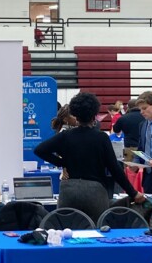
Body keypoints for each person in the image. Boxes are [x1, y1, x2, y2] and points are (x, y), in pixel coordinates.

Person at [34, 92, 145, 222]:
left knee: (66, 228)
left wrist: (62, 162)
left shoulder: (65, 136)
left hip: (69, 191)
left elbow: (39, 150)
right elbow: (114, 169)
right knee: (99, 229)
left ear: (75, 115)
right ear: (94, 115)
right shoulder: (101, 138)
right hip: (95, 192)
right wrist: (133, 193)